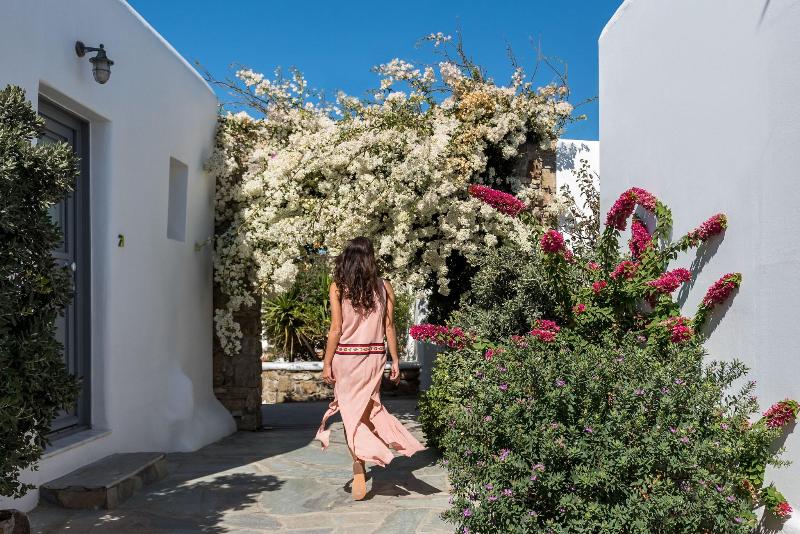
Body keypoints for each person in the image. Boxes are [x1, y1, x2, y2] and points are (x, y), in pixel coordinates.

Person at [315, 237, 425, 500]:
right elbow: (389, 327)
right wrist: (395, 360)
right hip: (374, 358)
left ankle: (359, 463)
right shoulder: (384, 287)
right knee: (365, 411)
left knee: (351, 413)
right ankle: (369, 452)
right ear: (370, 259)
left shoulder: (338, 287)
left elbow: (336, 329)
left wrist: (327, 362)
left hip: (346, 358)